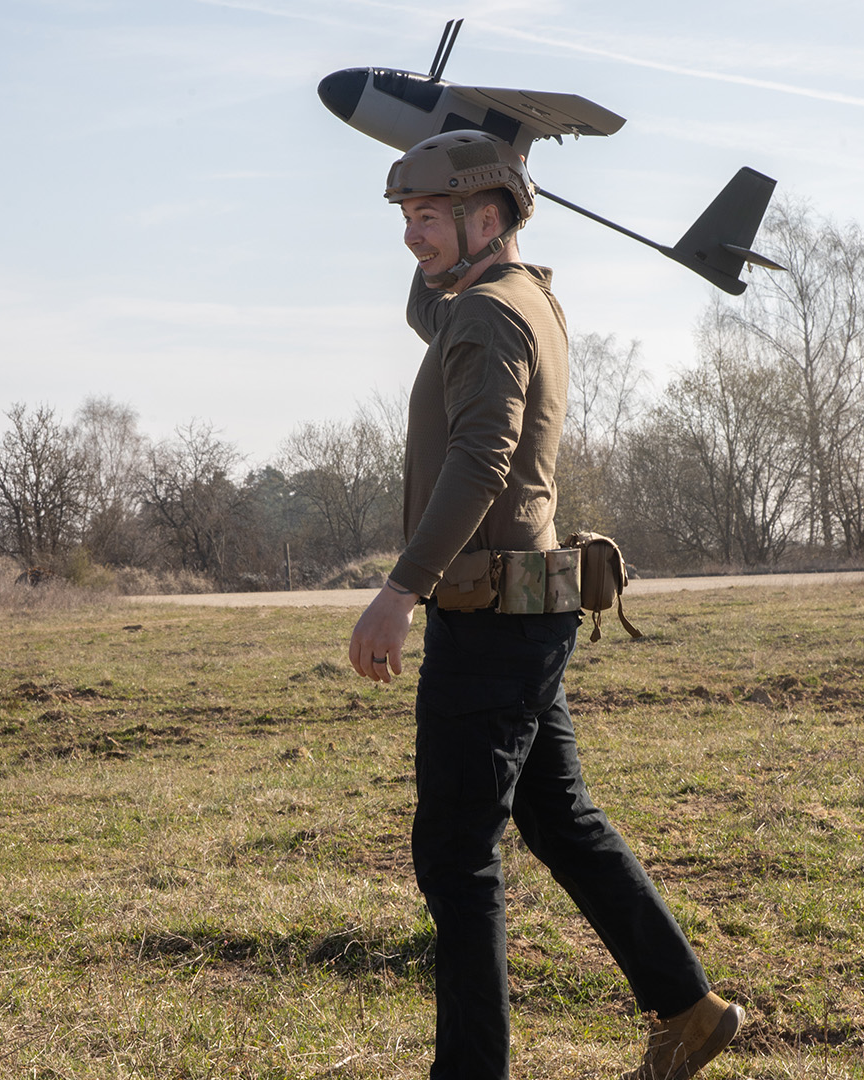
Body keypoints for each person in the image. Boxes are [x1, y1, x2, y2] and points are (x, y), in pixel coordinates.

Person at [347, 129, 743, 1080]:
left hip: (491, 622)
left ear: (487, 218)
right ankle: (689, 1011)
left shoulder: (489, 318)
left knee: (456, 856)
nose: (411, 235)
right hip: (527, 611)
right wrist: (454, 133)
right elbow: (429, 306)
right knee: (561, 820)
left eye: (428, 216)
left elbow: (482, 459)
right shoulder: (522, 299)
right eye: (405, 217)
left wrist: (400, 589)